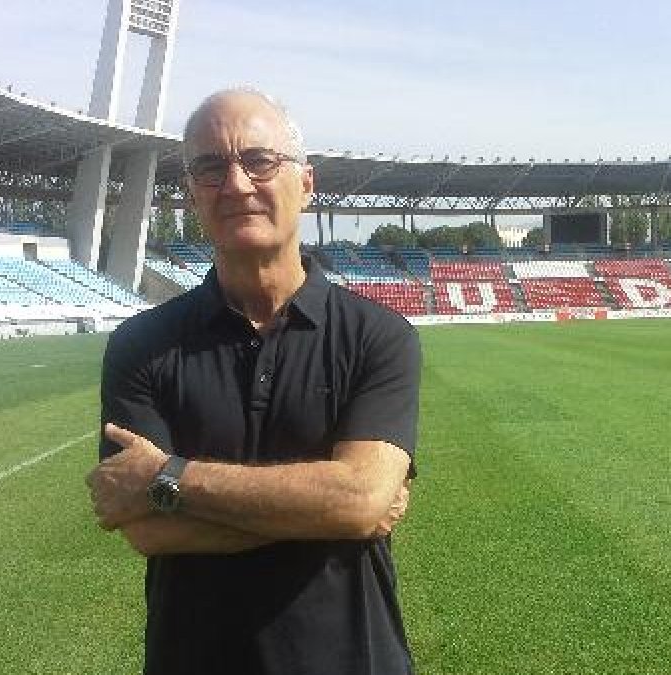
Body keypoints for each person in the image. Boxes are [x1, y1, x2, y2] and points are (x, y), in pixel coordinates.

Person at [86, 88, 421, 675]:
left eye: (259, 161)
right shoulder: (141, 345)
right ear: (191, 192)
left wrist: (168, 478)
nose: (237, 184)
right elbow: (146, 530)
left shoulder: (380, 336)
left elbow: (360, 501)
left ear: (307, 182)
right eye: (210, 167)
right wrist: (331, 512)